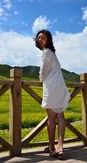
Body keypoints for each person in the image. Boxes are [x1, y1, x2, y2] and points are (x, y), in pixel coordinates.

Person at [35, 29, 71, 158]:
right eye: (39, 37)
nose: (40, 39)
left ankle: (51, 147)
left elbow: (43, 73)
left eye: (43, 38)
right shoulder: (53, 53)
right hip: (60, 87)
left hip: (51, 88)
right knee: (60, 116)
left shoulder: (46, 53)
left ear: (48, 40)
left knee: (51, 118)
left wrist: (40, 79)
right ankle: (60, 146)